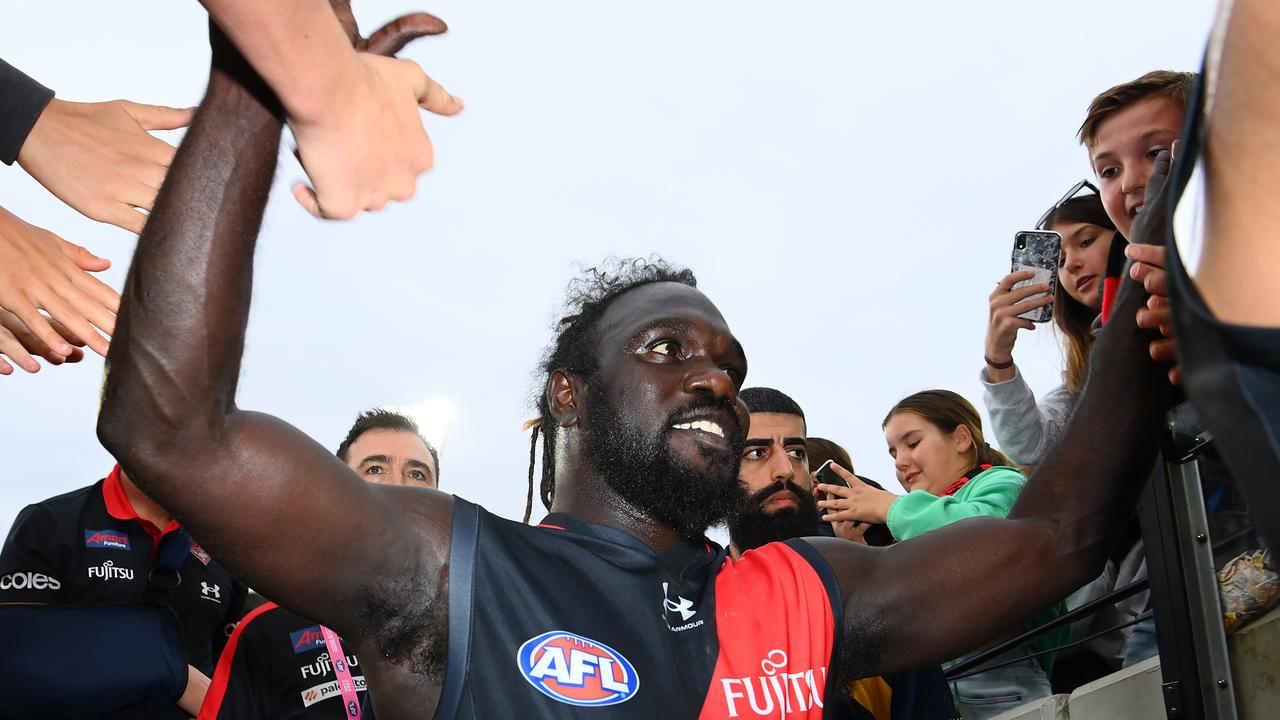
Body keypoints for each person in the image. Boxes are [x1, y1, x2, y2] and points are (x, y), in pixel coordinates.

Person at [95, 7, 1176, 719]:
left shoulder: (808, 590)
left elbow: (1057, 533)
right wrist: (257, 74)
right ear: (568, 392)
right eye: (668, 350)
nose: (714, 379)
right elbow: (170, 429)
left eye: (727, 362)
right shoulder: (448, 571)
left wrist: (1148, 264)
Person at [818, 390, 1067, 719]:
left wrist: (890, 507)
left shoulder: (1001, 481)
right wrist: (859, 552)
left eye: (912, 443)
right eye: (893, 452)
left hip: (1000, 677)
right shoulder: (908, 522)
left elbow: (984, 542)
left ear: (962, 438)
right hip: (938, 687)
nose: (900, 461)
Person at [729, 387, 957, 720]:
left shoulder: (874, 603)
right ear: (716, 469)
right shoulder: (692, 604)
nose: (785, 470)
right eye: (756, 453)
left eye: (796, 452)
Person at [198, 409, 439, 719]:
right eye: (375, 468)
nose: (398, 486)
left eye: (417, 474)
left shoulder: (482, 622)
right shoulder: (265, 633)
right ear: (340, 494)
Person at [0, 464, 246, 718]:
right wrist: (176, 676)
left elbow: (237, 676)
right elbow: (19, 661)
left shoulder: (225, 548)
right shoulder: (49, 523)